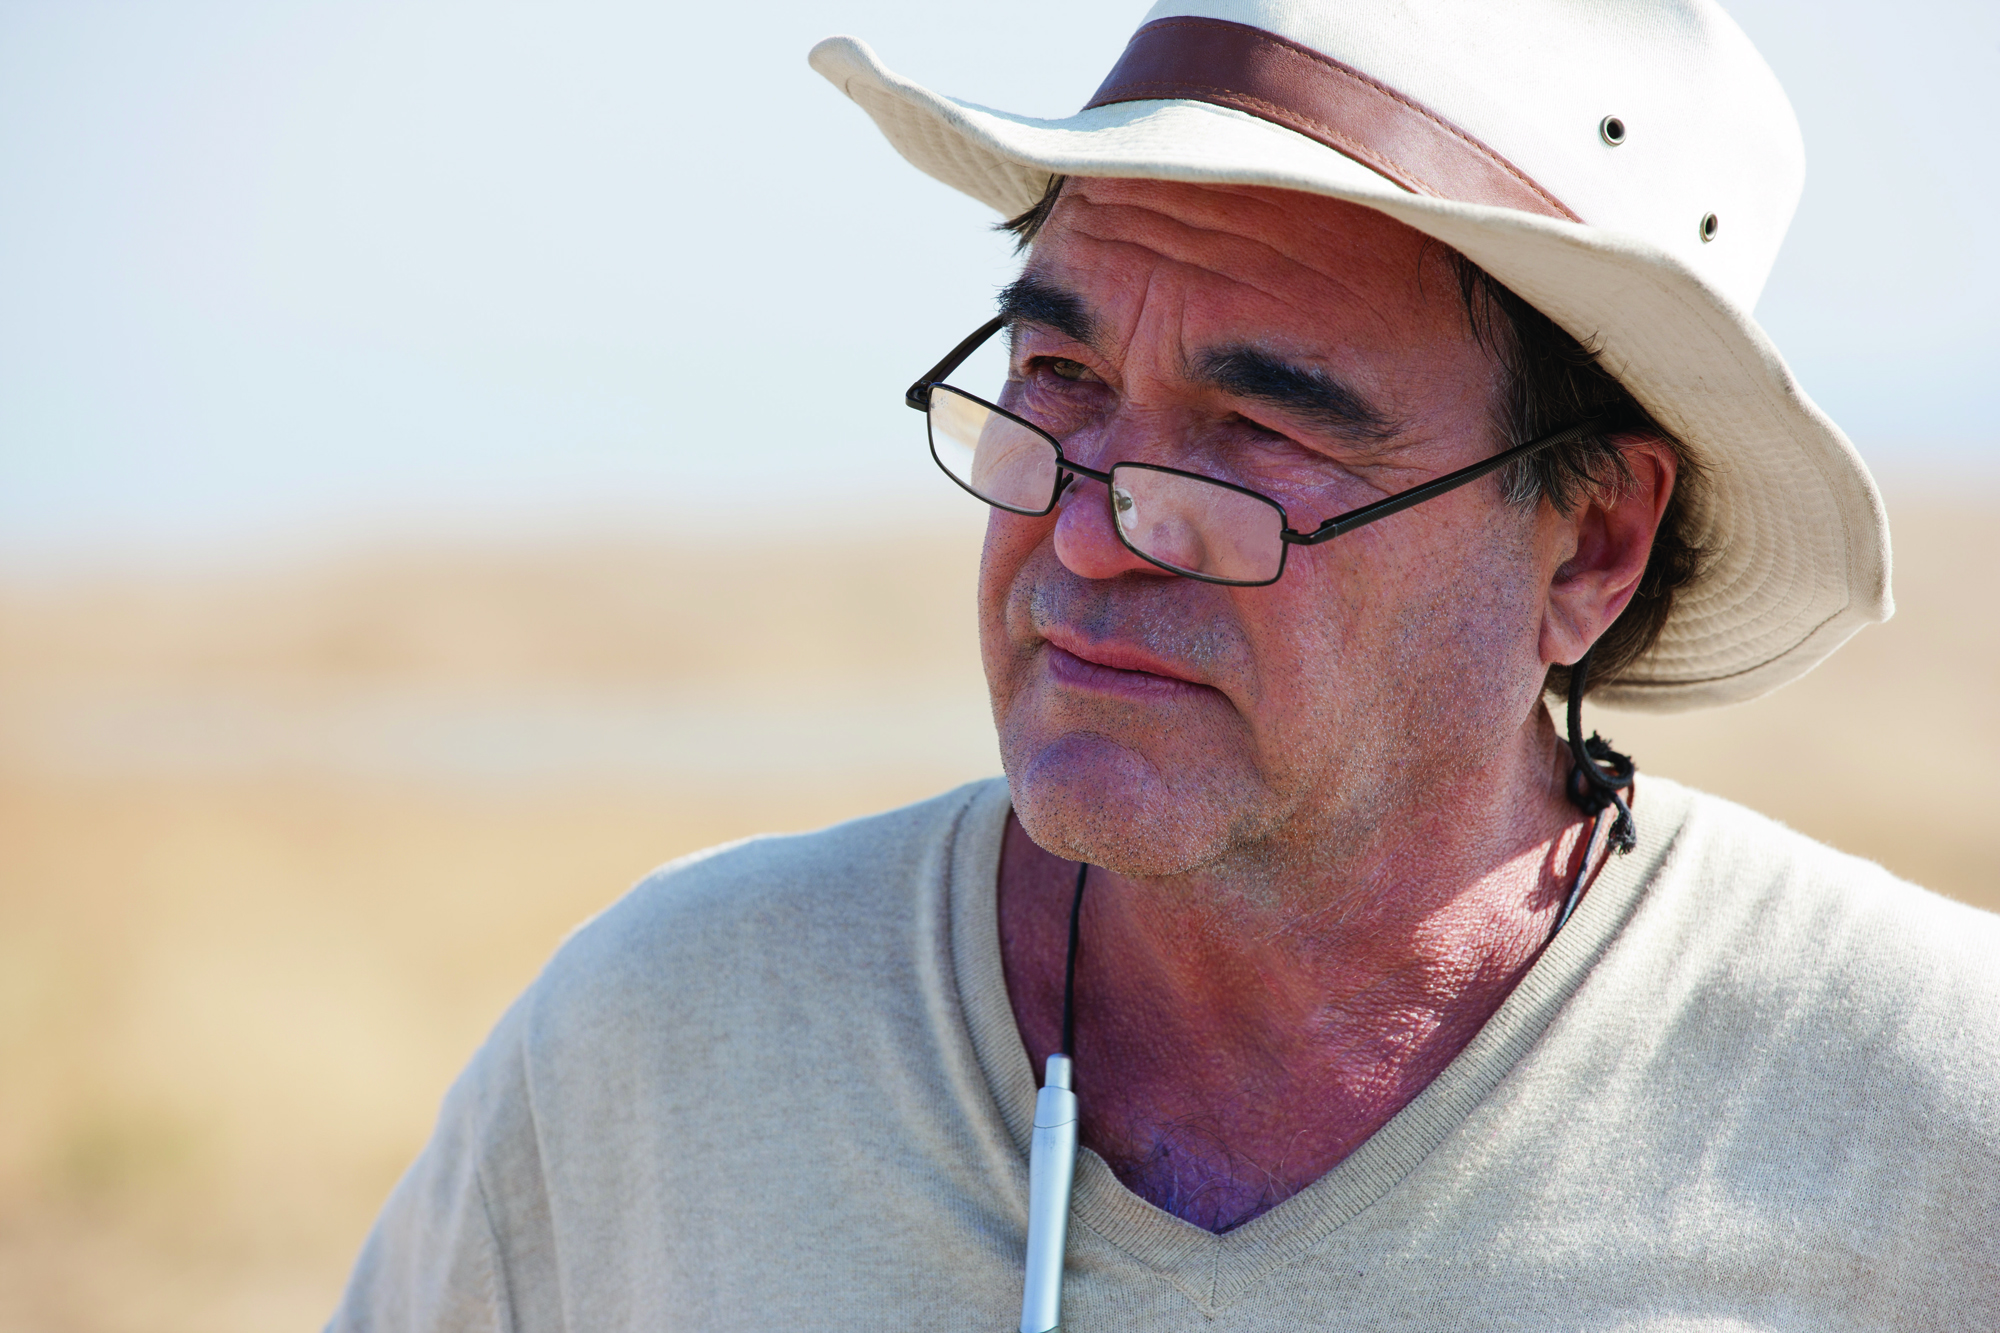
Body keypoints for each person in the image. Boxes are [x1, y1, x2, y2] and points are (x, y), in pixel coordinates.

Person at [329, 2, 2000, 1328]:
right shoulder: (670, 1041)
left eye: (1260, 430)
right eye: (1058, 376)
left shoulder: (1938, 1117)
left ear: (1589, 548)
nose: (1090, 531)